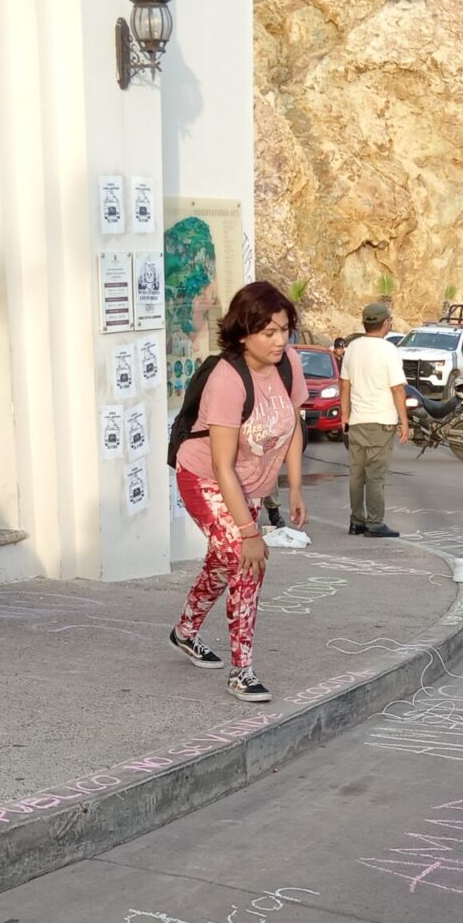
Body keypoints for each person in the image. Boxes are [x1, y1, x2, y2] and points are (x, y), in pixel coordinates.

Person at [169, 280, 309, 701]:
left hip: (247, 483)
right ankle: (241, 671)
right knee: (246, 561)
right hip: (205, 478)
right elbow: (220, 465)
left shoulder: (289, 365)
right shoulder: (228, 379)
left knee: (222, 562)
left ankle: (185, 631)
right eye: (268, 332)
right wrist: (250, 533)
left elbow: (293, 428)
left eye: (284, 329)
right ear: (243, 333)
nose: (279, 340)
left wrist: (295, 489)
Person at [337, 300, 408, 537]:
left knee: (356, 474)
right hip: (381, 421)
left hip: (357, 421)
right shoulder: (389, 350)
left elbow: (344, 385)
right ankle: (375, 523)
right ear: (385, 323)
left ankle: (356, 521)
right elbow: (397, 389)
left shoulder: (352, 347)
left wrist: (345, 416)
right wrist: (404, 422)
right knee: (375, 475)